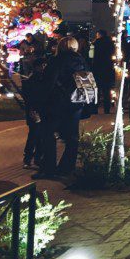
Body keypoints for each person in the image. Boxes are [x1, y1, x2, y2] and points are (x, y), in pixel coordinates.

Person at [35, 36, 90, 178]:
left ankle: (49, 168)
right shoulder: (81, 60)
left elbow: (49, 83)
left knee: (48, 134)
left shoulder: (56, 61)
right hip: (76, 102)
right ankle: (67, 167)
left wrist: (40, 102)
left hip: (57, 103)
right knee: (72, 137)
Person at [92, 30, 117, 115]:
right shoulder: (111, 43)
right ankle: (107, 109)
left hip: (97, 69)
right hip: (108, 69)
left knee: (97, 90)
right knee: (107, 91)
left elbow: (92, 56)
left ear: (99, 35)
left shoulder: (96, 43)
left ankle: (95, 109)